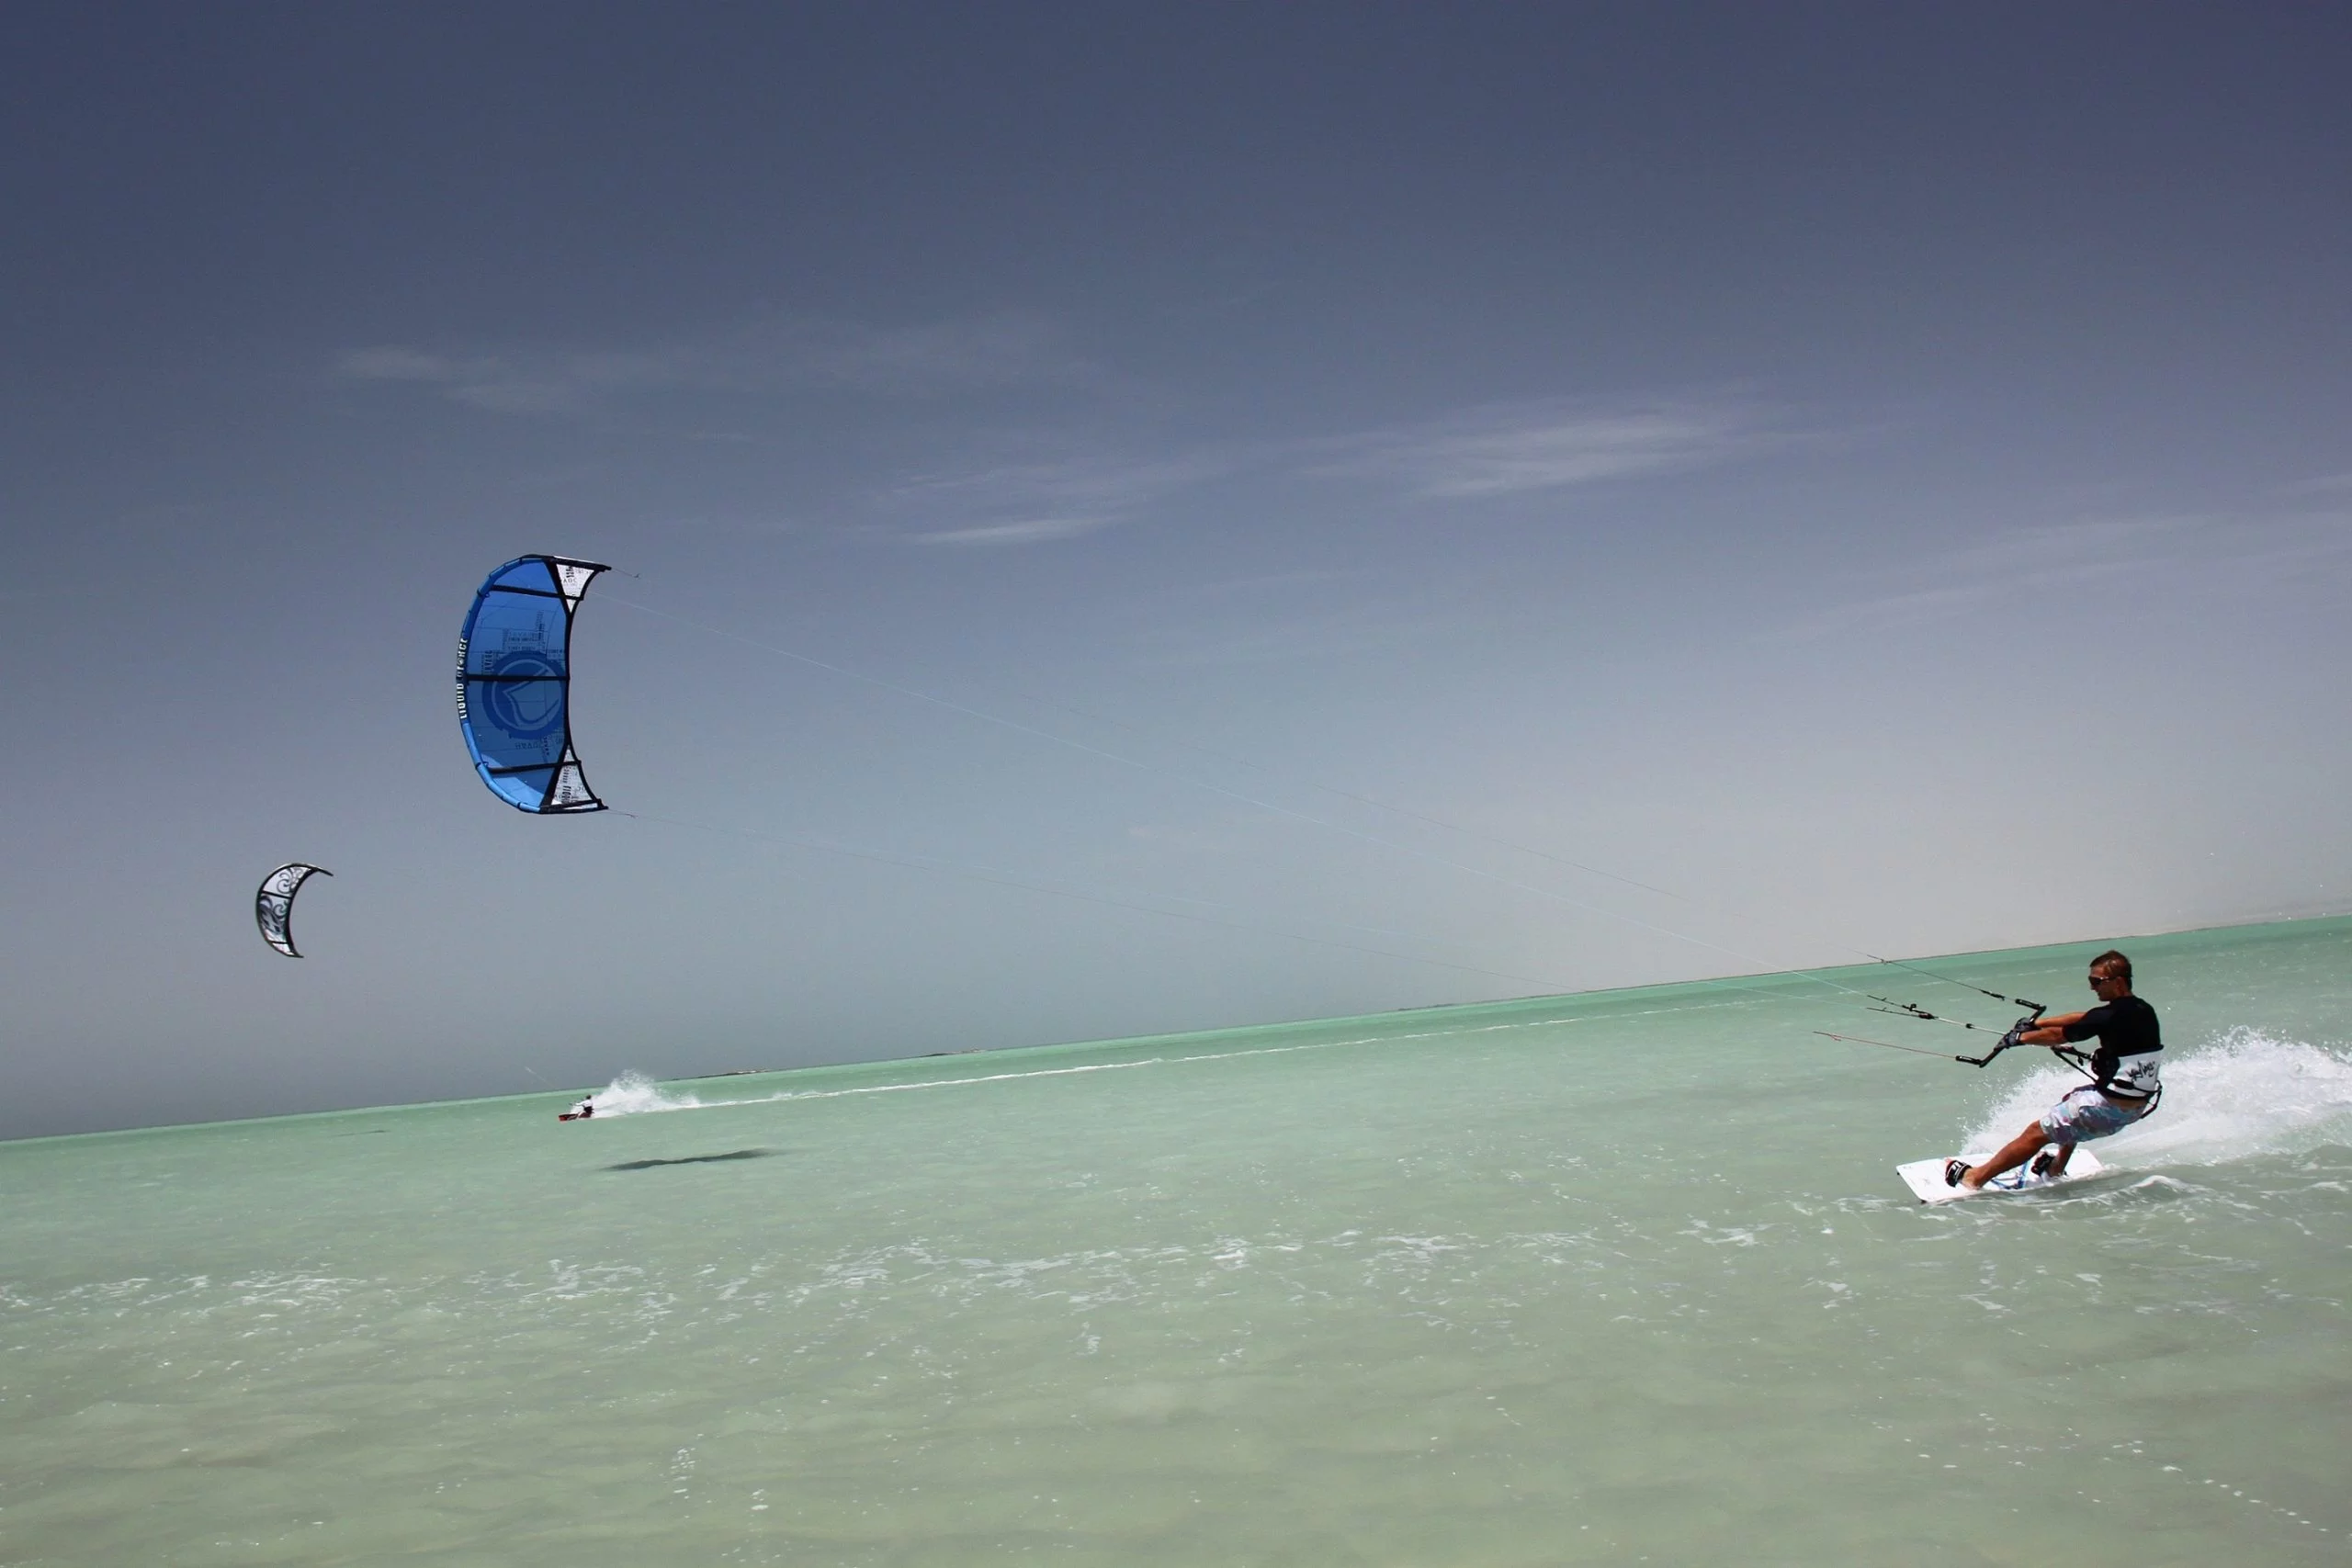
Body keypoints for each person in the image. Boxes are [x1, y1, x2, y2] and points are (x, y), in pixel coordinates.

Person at [1946, 949, 2160, 1191]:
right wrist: (2037, 1023)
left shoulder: (2108, 1016)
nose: (2092, 987)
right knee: (2072, 1101)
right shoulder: (2141, 1009)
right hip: (2135, 1107)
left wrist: (2020, 1038)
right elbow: (2086, 1017)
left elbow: (2058, 1035)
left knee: (2036, 1132)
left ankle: (1975, 1178)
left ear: (2118, 982)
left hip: (2108, 1109)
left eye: (2096, 981)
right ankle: (2056, 1167)